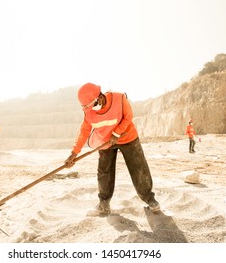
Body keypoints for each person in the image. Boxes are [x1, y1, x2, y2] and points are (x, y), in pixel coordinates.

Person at [64, 83, 160, 215]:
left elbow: (128, 116)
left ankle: (150, 199)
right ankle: (104, 204)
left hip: (128, 138)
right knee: (104, 172)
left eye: (93, 105)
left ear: (100, 97)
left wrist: (116, 133)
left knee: (139, 168)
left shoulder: (119, 98)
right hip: (105, 143)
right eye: (89, 107)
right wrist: (74, 153)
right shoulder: (89, 112)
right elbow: (84, 131)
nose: (92, 109)